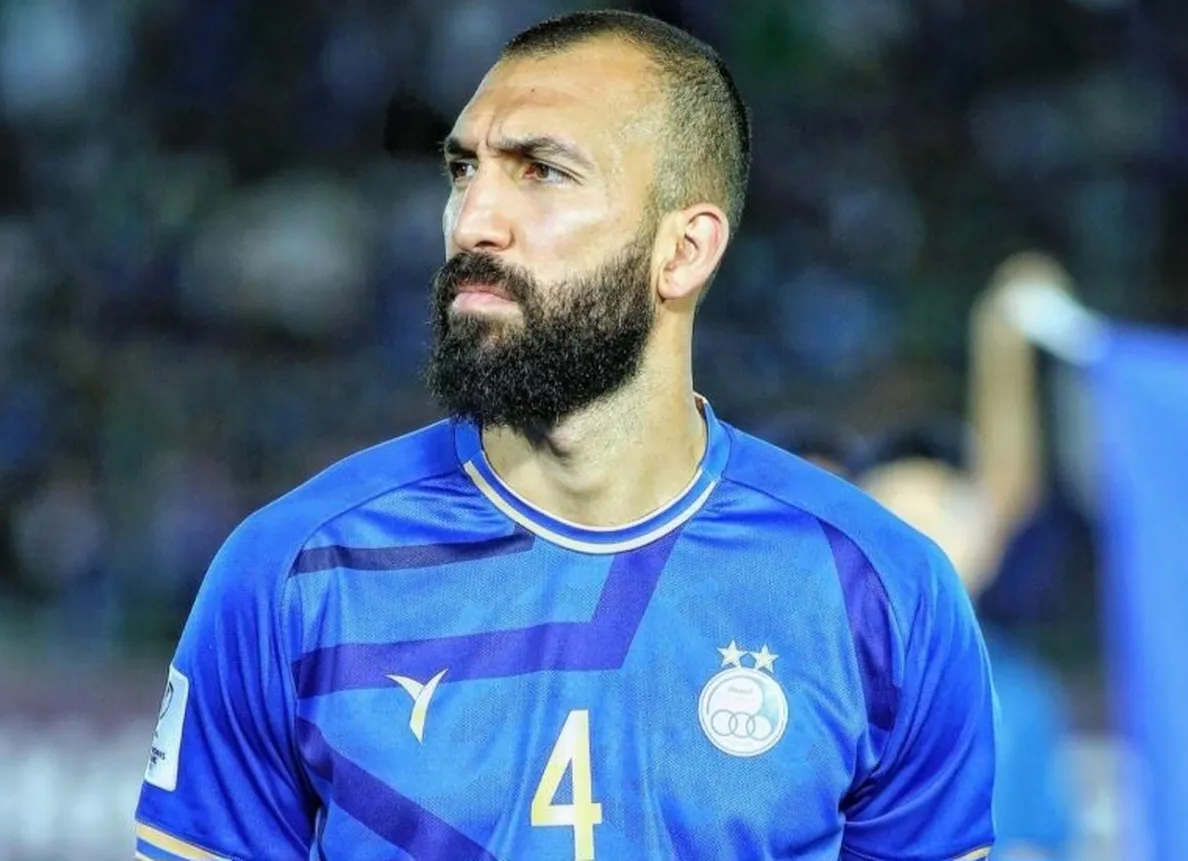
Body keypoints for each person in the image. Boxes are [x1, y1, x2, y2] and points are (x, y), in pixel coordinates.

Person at [134, 11, 995, 860]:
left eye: (542, 171)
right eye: (463, 169)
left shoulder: (882, 593)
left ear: (684, 251)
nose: (473, 220)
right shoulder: (295, 572)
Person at [859, 254, 1081, 860]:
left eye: (938, 524)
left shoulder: (1019, 696)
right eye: (896, 526)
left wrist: (1002, 344)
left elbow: (1041, 842)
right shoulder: (819, 676)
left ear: (982, 547)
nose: (918, 551)